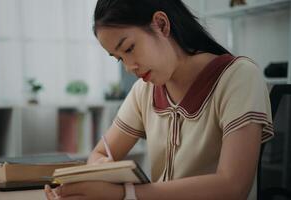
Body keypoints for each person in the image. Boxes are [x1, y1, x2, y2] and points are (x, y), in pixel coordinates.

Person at [45, 0, 274, 199]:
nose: (129, 67)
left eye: (129, 48)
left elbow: (232, 187)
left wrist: (125, 193)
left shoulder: (238, 77)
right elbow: (101, 153)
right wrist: (100, 172)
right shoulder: (143, 91)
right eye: (119, 59)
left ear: (162, 24)